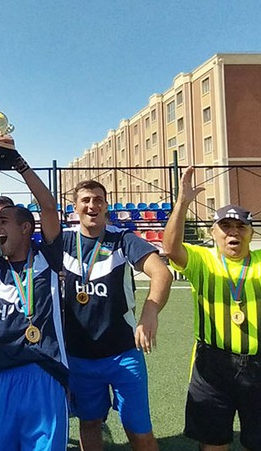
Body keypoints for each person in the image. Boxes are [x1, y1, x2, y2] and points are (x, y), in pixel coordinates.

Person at [161, 154, 261, 451]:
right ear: (213, 233)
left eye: (240, 226)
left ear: (251, 232)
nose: (233, 232)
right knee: (213, 443)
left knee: (260, 443)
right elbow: (170, 248)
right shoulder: (201, 260)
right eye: (225, 226)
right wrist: (182, 202)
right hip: (212, 363)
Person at [0, 135, 69, 451]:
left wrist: (18, 162)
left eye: (4, 221)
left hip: (44, 373)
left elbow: (48, 206)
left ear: (25, 228)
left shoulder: (48, 259)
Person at [60, 180, 172, 451]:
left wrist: (150, 312)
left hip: (123, 353)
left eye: (98, 200)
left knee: (139, 432)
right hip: (79, 356)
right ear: (75, 207)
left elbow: (161, 273)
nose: (92, 205)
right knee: (89, 423)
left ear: (106, 206)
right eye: (86, 200)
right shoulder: (63, 241)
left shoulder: (122, 239)